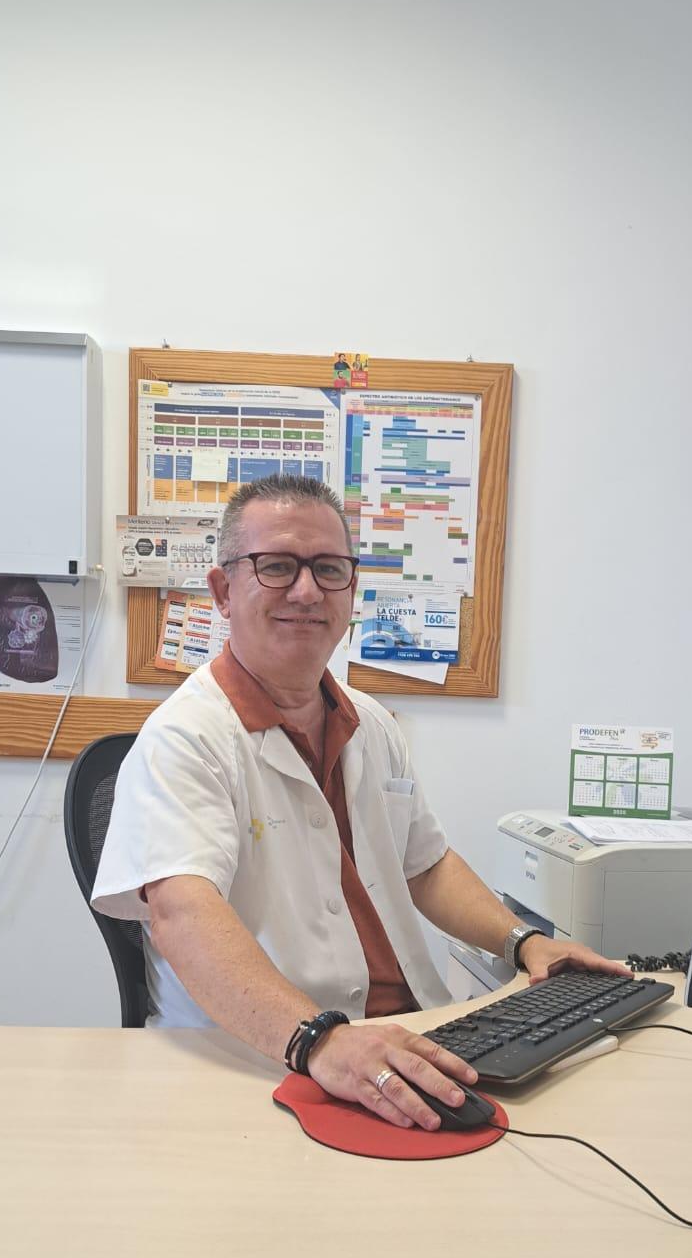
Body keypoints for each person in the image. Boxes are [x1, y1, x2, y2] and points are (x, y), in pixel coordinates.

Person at [92, 474, 629, 1130]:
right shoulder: (184, 739)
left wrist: (525, 943)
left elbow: (425, 865)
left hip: (402, 1038)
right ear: (223, 591)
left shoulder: (370, 724)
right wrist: (318, 1040)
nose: (308, 590)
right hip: (270, 1061)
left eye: (329, 569)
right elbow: (182, 913)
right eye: (278, 566)